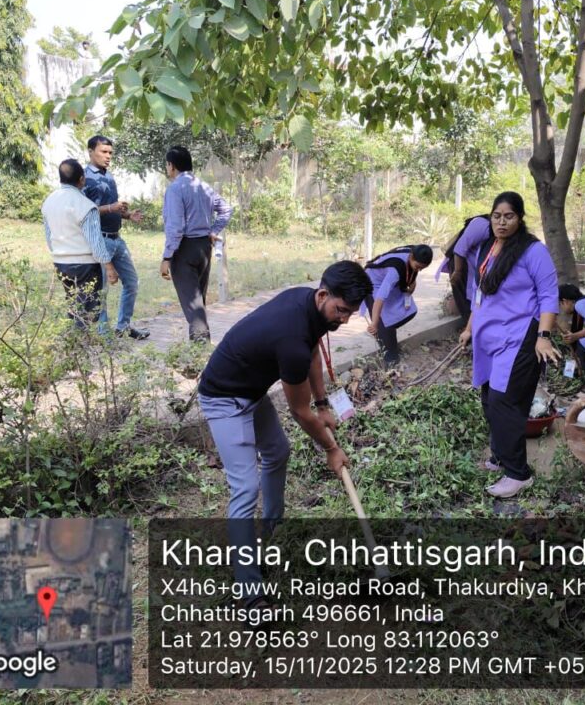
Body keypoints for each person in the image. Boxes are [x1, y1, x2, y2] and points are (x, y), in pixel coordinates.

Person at [197, 261, 372, 599]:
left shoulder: (309, 305)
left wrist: (324, 404)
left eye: (351, 313)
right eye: (341, 311)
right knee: (245, 488)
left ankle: (272, 531)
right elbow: (299, 412)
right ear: (323, 295)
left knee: (278, 451)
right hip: (224, 398)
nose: (345, 320)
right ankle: (250, 594)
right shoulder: (291, 338)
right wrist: (331, 449)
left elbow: (313, 353)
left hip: (250, 389)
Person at [459, 191, 561, 499]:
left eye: (509, 216)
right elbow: (479, 295)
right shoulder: (488, 248)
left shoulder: (533, 251)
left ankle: (518, 474)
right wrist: (469, 328)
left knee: (505, 402)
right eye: (496, 216)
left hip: (520, 337)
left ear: (520, 218)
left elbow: (549, 295)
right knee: (489, 399)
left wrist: (544, 337)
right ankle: (500, 455)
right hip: (490, 338)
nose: (501, 222)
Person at [160, 146, 233, 343]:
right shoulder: (204, 187)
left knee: (193, 306)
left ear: (171, 166)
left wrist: (167, 257)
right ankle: (200, 347)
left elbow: (175, 227)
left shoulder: (175, 189)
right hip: (203, 248)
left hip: (184, 249)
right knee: (198, 302)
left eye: (167, 165)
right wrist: (213, 231)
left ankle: (200, 351)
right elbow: (226, 210)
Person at [82, 135, 149, 339]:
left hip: (117, 239)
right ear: (91, 152)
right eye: (103, 152)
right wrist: (111, 207)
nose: (108, 156)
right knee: (102, 290)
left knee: (132, 282)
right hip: (99, 240)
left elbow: (111, 208)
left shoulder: (109, 176)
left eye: (110, 152)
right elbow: (84, 212)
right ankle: (104, 334)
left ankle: (123, 327)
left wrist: (127, 215)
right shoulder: (85, 178)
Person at [41, 159, 119, 328]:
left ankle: (75, 340)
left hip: (61, 264)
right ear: (82, 179)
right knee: (87, 314)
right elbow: (96, 242)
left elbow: (49, 236)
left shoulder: (49, 202)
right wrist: (109, 268)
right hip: (85, 267)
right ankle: (79, 342)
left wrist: (60, 253)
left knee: (74, 308)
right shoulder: (86, 206)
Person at [363, 244, 434, 364]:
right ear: (411, 257)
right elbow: (379, 299)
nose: (419, 270)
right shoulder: (394, 272)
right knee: (383, 323)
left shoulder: (414, 255)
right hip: (371, 283)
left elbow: (411, 278)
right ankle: (390, 359)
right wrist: (374, 323)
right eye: (418, 267)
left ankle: (388, 340)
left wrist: (410, 288)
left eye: (422, 268)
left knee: (408, 312)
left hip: (385, 281)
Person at [437, 214, 491, 328]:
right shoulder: (482, 225)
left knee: (475, 299)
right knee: (465, 300)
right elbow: (460, 248)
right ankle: (470, 330)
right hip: (460, 265)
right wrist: (457, 272)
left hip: (476, 269)